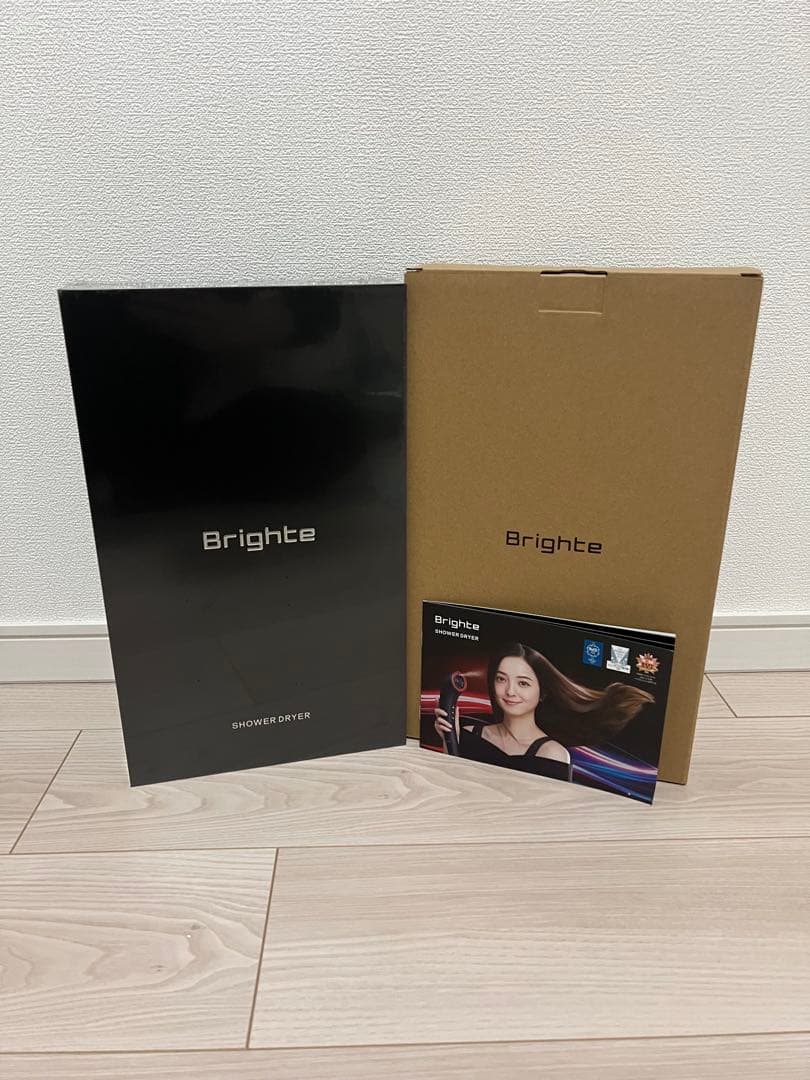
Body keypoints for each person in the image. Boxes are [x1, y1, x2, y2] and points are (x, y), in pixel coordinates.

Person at [434, 641, 654, 782]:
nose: (510, 691)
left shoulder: (552, 754)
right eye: (501, 679)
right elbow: (453, 782)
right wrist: (449, 739)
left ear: (543, 693)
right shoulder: (468, 734)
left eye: (523, 683)